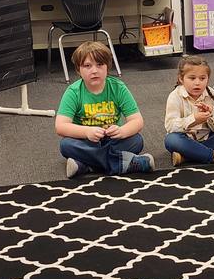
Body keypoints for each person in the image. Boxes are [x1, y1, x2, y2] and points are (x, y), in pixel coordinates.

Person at [55, 41, 153, 178]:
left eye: (100, 65)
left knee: (137, 140)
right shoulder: (73, 92)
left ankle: (86, 165)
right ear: (78, 70)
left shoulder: (118, 87)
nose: (94, 71)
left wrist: (122, 131)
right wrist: (87, 132)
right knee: (66, 145)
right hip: (86, 140)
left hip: (113, 139)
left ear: (108, 67)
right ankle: (124, 163)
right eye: (87, 66)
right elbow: (61, 126)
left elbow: (137, 121)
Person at [164, 56, 214, 166]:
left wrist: (212, 114)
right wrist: (194, 119)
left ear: (208, 79)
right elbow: (170, 126)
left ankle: (187, 157)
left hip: (209, 138)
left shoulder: (213, 95)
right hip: (185, 139)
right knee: (171, 140)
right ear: (181, 79)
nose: (197, 83)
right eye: (192, 78)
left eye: (202, 78)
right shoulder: (175, 96)